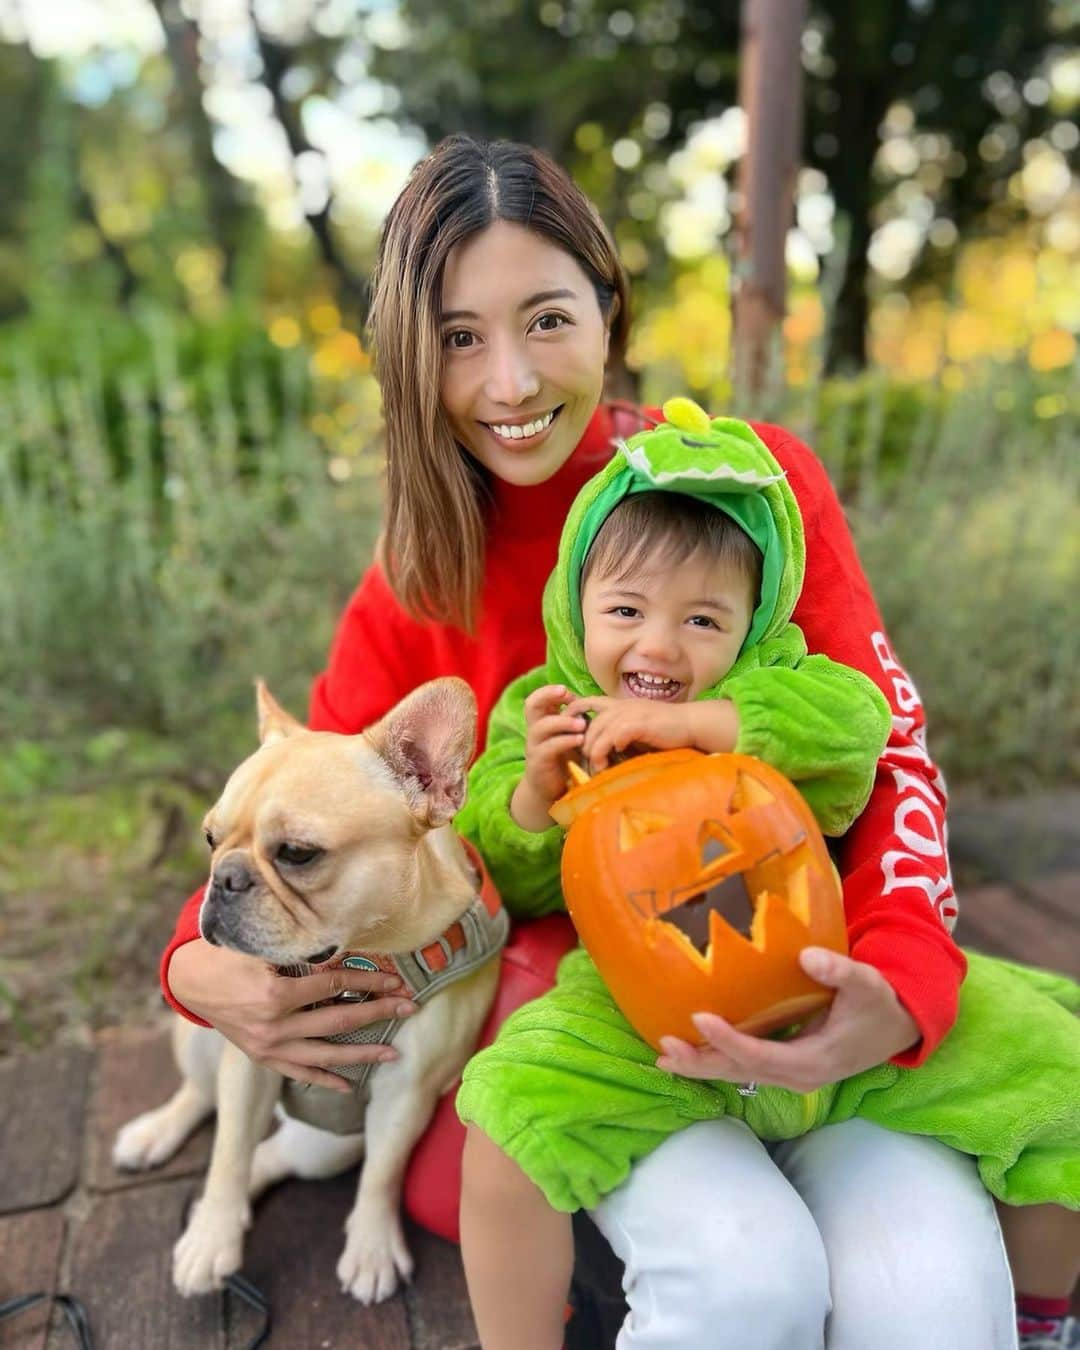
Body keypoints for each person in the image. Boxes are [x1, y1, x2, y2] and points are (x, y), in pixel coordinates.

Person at [159, 135, 1025, 1347]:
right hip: (571, 1028)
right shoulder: (412, 584)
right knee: (746, 1280)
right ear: (411, 361)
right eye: (459, 338)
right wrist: (190, 968)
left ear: (609, 306)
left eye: (547, 318)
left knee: (934, 1302)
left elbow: (887, 756)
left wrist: (902, 979)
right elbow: (294, 813)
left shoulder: (749, 486)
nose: (509, 381)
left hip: (798, 970)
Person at [454, 397, 1080, 1350]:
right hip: (651, 1019)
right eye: (625, 611)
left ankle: (1041, 1316)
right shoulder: (549, 717)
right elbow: (501, 866)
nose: (658, 648)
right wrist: (537, 799)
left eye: (702, 619)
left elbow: (855, 725)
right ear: (575, 609)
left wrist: (705, 725)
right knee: (507, 1108)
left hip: (828, 991)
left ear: (751, 626)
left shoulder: (783, 690)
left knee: (1052, 1074)